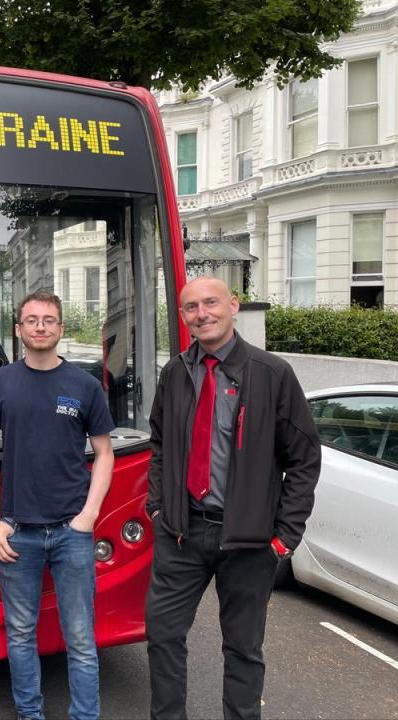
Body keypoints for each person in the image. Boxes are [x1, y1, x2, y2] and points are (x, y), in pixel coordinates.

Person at [145, 276, 321, 720]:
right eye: (190, 308)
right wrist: (158, 506)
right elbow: (160, 443)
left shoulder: (272, 374)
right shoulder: (175, 373)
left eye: (210, 303)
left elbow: (303, 459)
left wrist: (284, 537)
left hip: (248, 541)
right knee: (164, 637)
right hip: (182, 532)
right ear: (183, 317)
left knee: (243, 649)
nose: (201, 314)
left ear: (234, 306)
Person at [0, 290, 115, 720]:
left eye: (49, 320)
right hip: (17, 533)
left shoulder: (85, 386)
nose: (40, 326)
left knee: (81, 639)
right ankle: (29, 714)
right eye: (31, 320)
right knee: (19, 634)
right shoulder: (0, 383)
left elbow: (104, 453)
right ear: (19, 330)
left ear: (61, 329)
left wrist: (88, 517)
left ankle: (84, 717)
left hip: (72, 531)